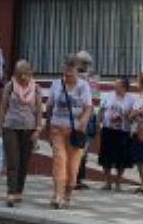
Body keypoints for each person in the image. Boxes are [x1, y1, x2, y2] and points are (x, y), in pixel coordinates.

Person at [46, 56, 93, 209]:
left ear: (77, 72)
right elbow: (50, 106)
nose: (67, 77)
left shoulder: (83, 86)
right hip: (57, 128)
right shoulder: (56, 84)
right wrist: (47, 126)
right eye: (65, 74)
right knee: (60, 160)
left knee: (73, 167)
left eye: (71, 74)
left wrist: (84, 121)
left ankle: (67, 194)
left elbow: (88, 108)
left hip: (76, 132)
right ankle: (58, 195)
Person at [0, 60, 43, 207]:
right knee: (13, 161)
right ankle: (10, 192)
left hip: (29, 129)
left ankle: (18, 192)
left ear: (30, 74)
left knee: (24, 162)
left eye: (26, 75)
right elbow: (3, 107)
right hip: (10, 127)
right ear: (16, 74)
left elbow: (39, 111)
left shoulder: (36, 89)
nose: (23, 78)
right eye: (20, 75)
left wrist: (38, 129)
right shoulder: (10, 86)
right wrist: (0, 126)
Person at [97, 77, 135, 191]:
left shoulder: (131, 99)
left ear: (124, 87)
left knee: (121, 157)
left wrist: (128, 116)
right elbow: (101, 110)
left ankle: (118, 182)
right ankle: (107, 182)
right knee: (106, 155)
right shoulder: (108, 95)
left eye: (117, 85)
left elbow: (132, 116)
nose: (115, 87)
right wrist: (98, 123)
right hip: (108, 129)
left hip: (123, 130)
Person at [72, 50, 97, 190]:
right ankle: (75, 178)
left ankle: (78, 178)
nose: (86, 66)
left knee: (84, 149)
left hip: (89, 115)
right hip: (79, 116)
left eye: (87, 63)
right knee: (78, 148)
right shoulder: (73, 77)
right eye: (84, 63)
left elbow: (95, 94)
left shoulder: (91, 77)